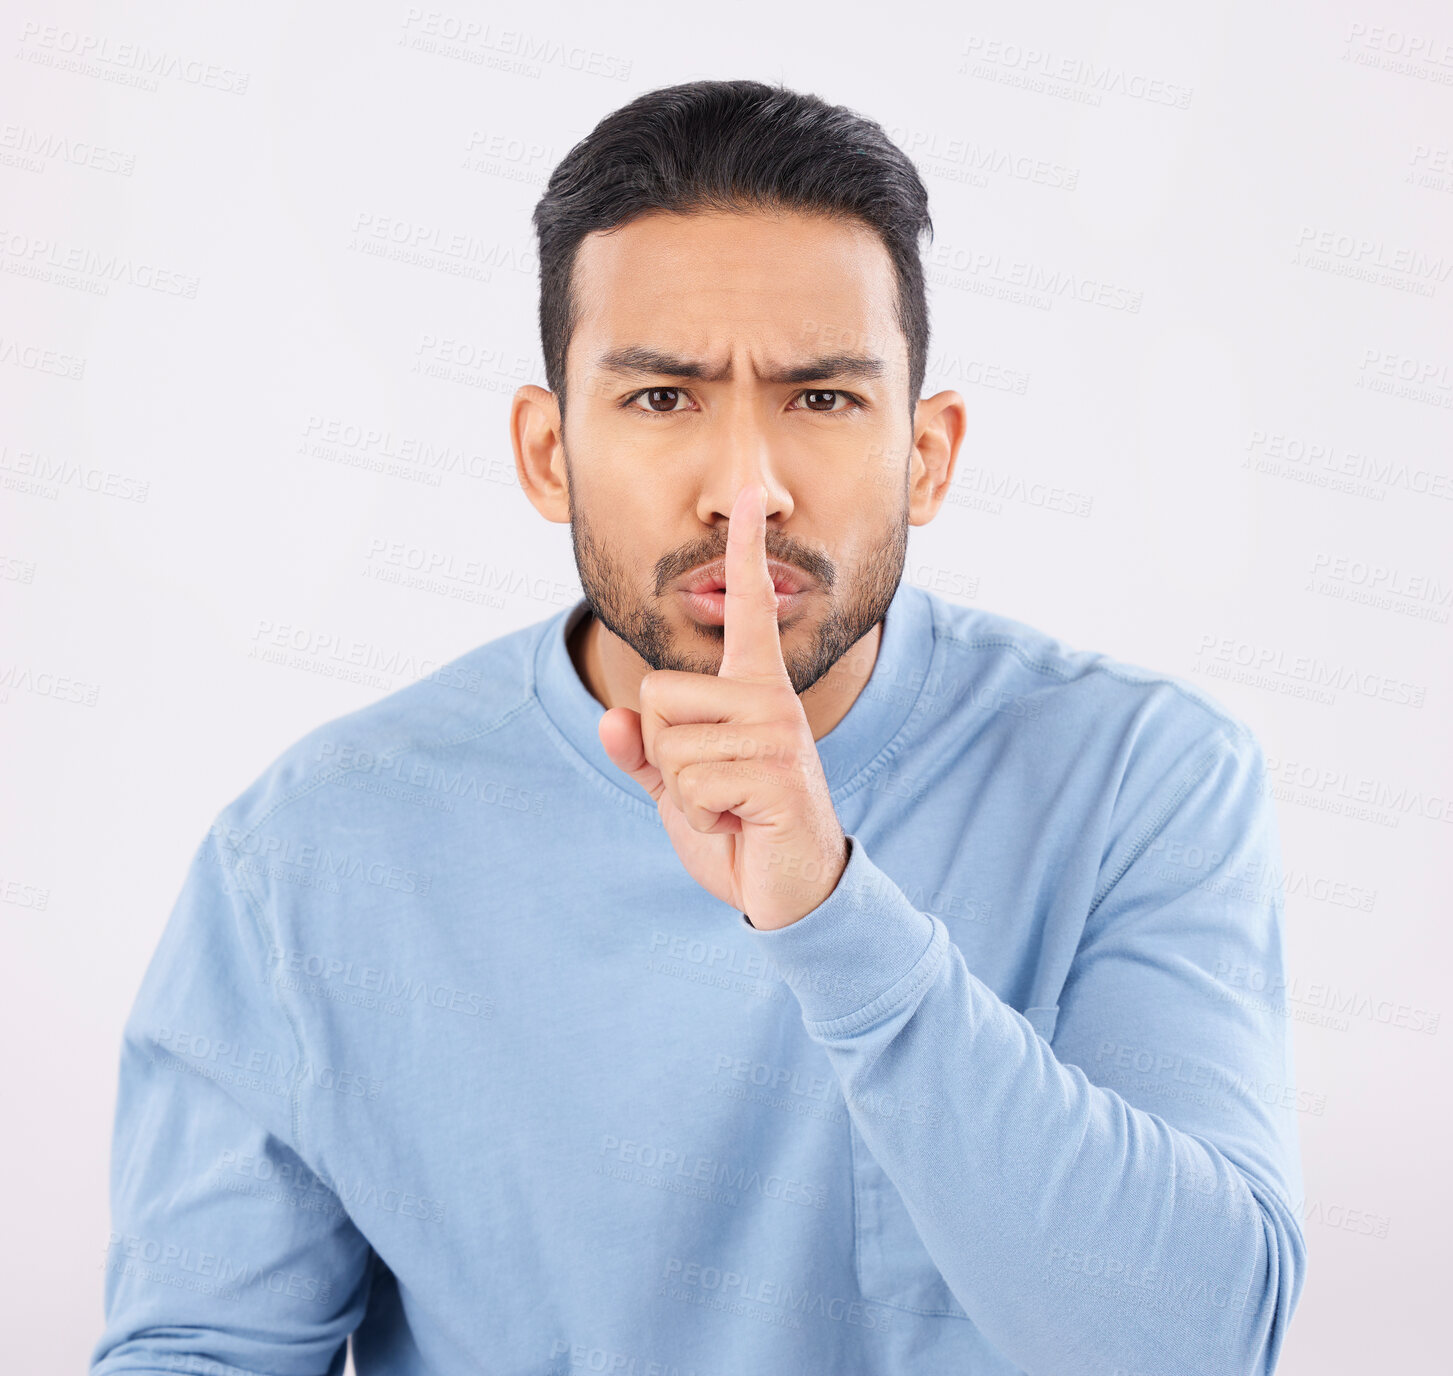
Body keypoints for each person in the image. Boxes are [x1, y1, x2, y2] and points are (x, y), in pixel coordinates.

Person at [92, 80, 1306, 1375]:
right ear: (547, 450)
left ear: (928, 455)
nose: (745, 488)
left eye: (823, 398)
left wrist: (829, 915)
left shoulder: (1139, 782)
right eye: (663, 398)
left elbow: (1195, 1344)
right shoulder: (306, 855)